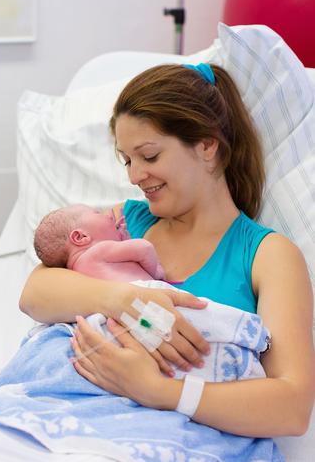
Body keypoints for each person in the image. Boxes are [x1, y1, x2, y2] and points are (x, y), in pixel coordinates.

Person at [20, 62, 315, 438]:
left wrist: (160, 391)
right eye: (127, 160)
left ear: (207, 145)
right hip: (80, 421)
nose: (133, 175)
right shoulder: (123, 224)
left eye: (149, 156)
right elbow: (34, 294)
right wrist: (124, 301)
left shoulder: (266, 254)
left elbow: (292, 408)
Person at [33, 204, 165, 282]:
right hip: (146, 298)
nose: (108, 215)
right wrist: (156, 273)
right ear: (81, 237)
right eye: (97, 213)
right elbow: (144, 248)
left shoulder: (77, 275)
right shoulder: (97, 251)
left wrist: (123, 240)